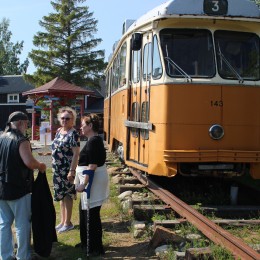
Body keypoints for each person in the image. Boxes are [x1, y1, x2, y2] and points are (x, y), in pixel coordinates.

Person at [0, 111, 46, 260]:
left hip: (2, 188)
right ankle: (23, 256)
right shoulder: (22, 140)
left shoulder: (1, 138)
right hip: (19, 188)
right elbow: (29, 162)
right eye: (26, 123)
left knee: (4, 224)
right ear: (20, 123)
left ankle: (5, 256)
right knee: (22, 225)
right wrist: (40, 165)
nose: (27, 126)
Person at [74, 114, 109, 257]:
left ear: (90, 126)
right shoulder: (92, 140)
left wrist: (83, 183)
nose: (81, 127)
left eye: (83, 124)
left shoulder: (94, 141)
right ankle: (85, 243)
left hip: (92, 181)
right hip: (91, 180)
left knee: (92, 214)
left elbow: (93, 165)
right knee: (84, 211)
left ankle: (95, 247)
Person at [51, 107, 80, 233]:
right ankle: (62, 221)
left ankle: (68, 223)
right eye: (62, 118)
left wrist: (72, 171)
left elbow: (76, 154)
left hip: (67, 170)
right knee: (61, 196)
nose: (64, 120)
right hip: (57, 170)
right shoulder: (58, 131)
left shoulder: (74, 134)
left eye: (67, 118)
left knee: (67, 195)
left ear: (72, 120)